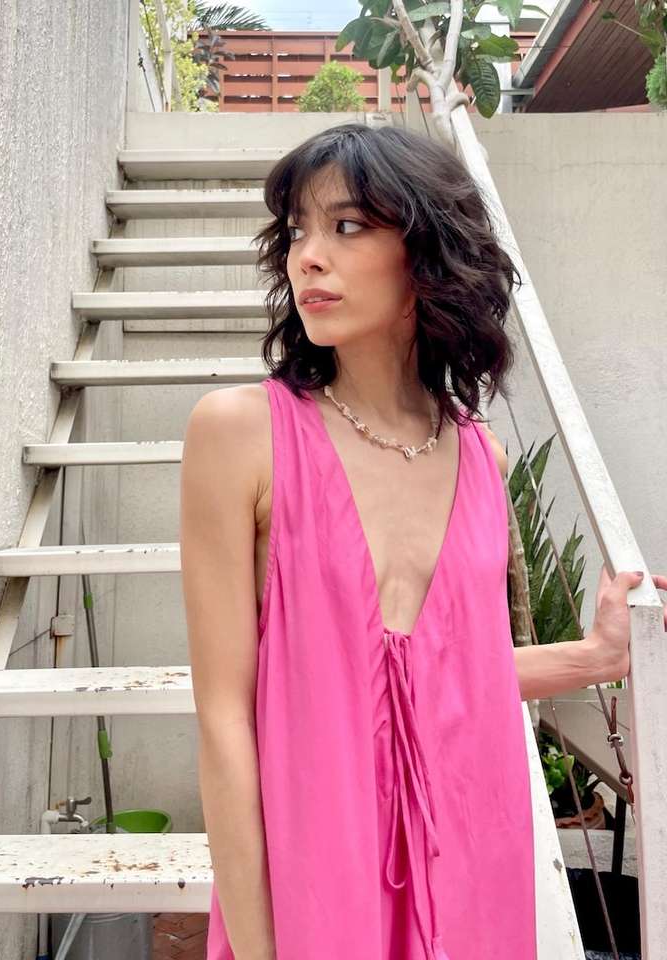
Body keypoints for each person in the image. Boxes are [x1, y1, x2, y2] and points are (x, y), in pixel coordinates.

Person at [179, 121, 662, 960]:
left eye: (347, 226)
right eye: (296, 231)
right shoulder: (240, 435)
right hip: (317, 886)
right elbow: (225, 716)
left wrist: (598, 656)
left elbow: (444, 678)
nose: (308, 257)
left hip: (470, 875)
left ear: (428, 254)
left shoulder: (481, 458)